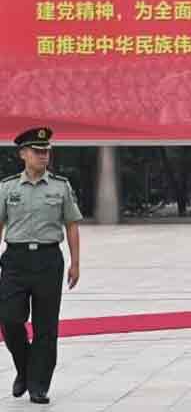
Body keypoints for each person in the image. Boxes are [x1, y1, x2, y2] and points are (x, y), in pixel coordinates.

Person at [0, 127, 82, 404]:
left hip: (49, 260)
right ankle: (24, 369)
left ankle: (38, 385)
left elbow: (71, 224)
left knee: (46, 326)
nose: (43, 156)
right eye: (37, 151)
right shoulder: (7, 187)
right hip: (15, 260)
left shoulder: (61, 186)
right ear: (23, 154)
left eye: (46, 151)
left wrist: (75, 263)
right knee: (10, 319)